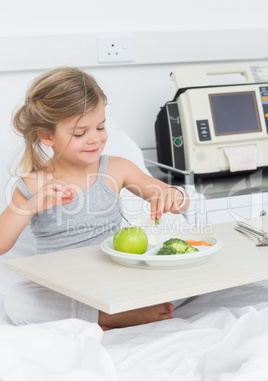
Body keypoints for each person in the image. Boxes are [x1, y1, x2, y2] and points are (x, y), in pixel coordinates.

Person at [0, 67, 190, 330]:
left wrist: (172, 196)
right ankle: (112, 317)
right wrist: (30, 206)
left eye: (100, 127)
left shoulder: (117, 168)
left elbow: (179, 201)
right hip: (67, 288)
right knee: (18, 301)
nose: (94, 139)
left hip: (118, 277)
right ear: (47, 136)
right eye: (80, 133)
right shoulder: (34, 183)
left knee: (189, 273)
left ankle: (112, 311)